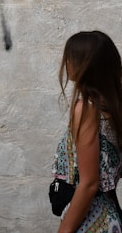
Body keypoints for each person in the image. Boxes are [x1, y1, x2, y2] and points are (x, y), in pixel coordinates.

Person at [52, 31, 122, 232]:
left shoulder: (86, 109)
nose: (65, 63)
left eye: (69, 57)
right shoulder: (113, 108)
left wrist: (64, 230)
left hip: (92, 221)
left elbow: (89, 183)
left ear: (84, 64)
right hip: (110, 217)